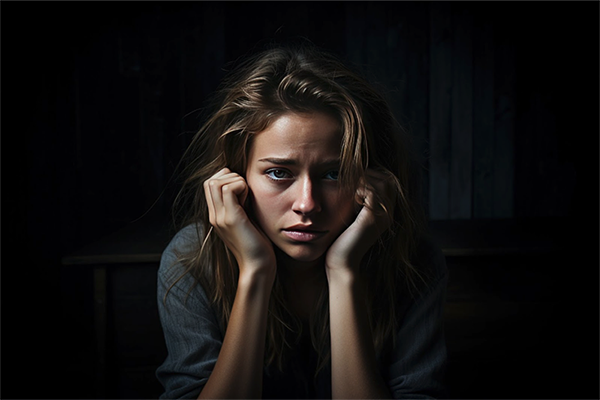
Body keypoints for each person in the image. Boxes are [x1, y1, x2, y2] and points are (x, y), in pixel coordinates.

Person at [156, 41, 448, 400]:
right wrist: (255, 273)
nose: (307, 204)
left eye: (333, 174)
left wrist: (344, 271)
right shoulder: (191, 260)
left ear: (370, 179)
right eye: (280, 172)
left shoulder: (413, 263)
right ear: (235, 176)